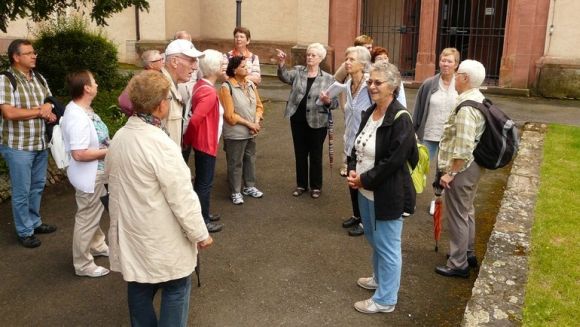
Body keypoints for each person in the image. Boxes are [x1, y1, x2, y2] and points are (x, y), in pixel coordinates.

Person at [105, 70, 213, 326]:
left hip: (133, 229)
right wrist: (200, 234)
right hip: (161, 233)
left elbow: (109, 179)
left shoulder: (120, 137)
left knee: (140, 286)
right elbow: (182, 196)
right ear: (160, 105)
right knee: (176, 286)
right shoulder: (160, 144)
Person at [347, 62, 417, 314]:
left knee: (388, 246)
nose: (372, 86)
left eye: (378, 83)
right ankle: (379, 279)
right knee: (374, 238)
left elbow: (394, 161)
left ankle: (386, 299)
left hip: (387, 193)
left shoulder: (401, 118)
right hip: (366, 190)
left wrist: (364, 179)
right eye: (370, 82)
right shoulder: (371, 111)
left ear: (393, 86)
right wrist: (354, 168)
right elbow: (359, 146)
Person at [0, 39, 57, 248]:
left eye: (34, 52)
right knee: (22, 190)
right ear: (16, 57)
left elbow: (50, 100)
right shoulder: (6, 80)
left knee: (37, 186)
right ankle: (24, 231)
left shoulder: (39, 78)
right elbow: (8, 112)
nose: (34, 56)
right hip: (18, 146)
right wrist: (39, 111)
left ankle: (34, 222)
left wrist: (49, 108)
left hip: (40, 143)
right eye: (29, 53)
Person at [434, 59, 487, 279]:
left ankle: (458, 263)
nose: (454, 77)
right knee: (466, 211)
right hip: (473, 166)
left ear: (465, 78)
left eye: (458, 74)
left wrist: (451, 172)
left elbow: (463, 147)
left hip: (463, 168)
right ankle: (467, 253)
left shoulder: (466, 107)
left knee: (457, 215)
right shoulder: (477, 98)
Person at [61, 70, 110, 277]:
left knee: (92, 212)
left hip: (95, 172)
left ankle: (97, 244)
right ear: (86, 88)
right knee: (87, 217)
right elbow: (79, 153)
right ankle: (83, 264)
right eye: (94, 82)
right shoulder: (78, 116)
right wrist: (111, 151)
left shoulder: (83, 110)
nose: (97, 84)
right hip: (91, 175)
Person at [276, 43, 339, 199]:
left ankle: (316, 186)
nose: (309, 57)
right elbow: (284, 76)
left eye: (313, 55)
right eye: (308, 54)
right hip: (297, 119)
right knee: (300, 153)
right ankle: (301, 185)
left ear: (320, 58)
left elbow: (335, 103)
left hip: (318, 121)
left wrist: (327, 101)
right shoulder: (298, 71)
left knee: (316, 154)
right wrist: (282, 63)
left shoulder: (329, 78)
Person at [412, 47, 460, 215]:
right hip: (430, 132)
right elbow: (418, 107)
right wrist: (414, 128)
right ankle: (409, 198)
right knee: (418, 165)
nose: (445, 64)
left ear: (456, 64)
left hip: (450, 137)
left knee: (443, 169)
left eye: (449, 61)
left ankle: (437, 199)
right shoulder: (430, 83)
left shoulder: (459, 84)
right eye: (443, 60)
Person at [183, 49, 226, 233]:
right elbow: (194, 120)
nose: (226, 67)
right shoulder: (209, 93)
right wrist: (188, 140)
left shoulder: (201, 84)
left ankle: (204, 214)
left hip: (202, 141)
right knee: (204, 183)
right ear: (215, 68)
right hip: (205, 143)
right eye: (223, 64)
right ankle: (202, 221)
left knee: (202, 181)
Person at [220, 56, 264, 205]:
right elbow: (230, 116)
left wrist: (256, 122)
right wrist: (249, 124)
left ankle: (249, 187)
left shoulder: (251, 84)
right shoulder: (227, 87)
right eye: (243, 66)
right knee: (235, 163)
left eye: (247, 66)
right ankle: (236, 191)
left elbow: (259, 106)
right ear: (234, 69)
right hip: (235, 134)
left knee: (250, 159)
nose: (247, 69)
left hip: (251, 131)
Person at [340, 46, 372, 237]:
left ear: (363, 64)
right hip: (350, 141)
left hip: (365, 144)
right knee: (352, 182)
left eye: (351, 59)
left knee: (364, 184)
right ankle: (356, 215)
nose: (347, 62)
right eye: (346, 58)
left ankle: (365, 222)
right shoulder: (349, 82)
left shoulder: (370, 85)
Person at [162, 39, 204, 148]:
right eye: (191, 61)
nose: (195, 67)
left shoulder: (171, 86)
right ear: (174, 62)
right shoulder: (161, 91)